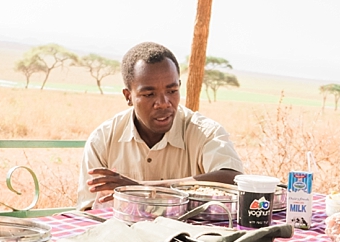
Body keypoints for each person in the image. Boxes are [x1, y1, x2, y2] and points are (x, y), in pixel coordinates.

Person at [77, 41, 244, 209]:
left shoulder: (205, 132)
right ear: (128, 96)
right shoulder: (103, 140)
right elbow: (88, 210)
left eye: (172, 91)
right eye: (149, 94)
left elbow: (232, 178)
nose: (164, 103)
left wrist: (142, 189)